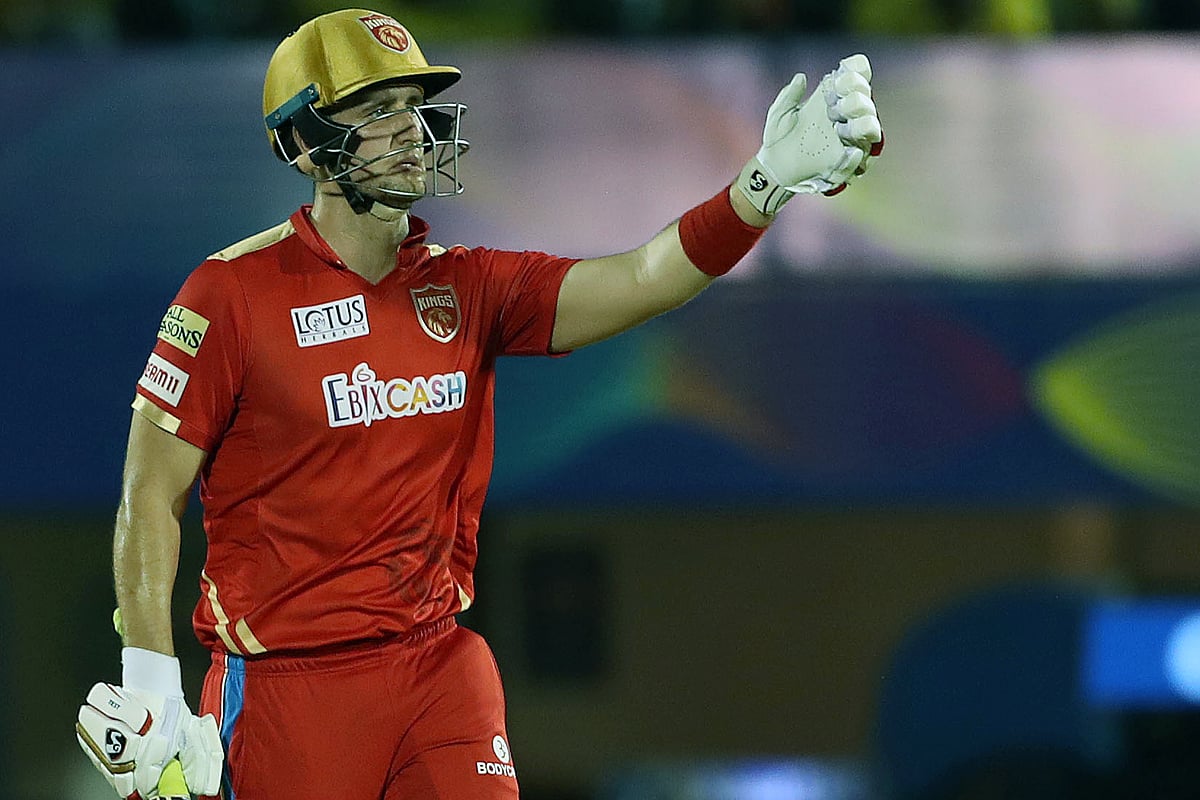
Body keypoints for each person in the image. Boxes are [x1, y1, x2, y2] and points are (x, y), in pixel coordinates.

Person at [75, 8, 883, 799]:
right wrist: (148, 678)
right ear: (302, 141)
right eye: (375, 109)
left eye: (410, 107)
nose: (409, 129)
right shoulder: (229, 294)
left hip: (438, 665)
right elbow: (150, 491)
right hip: (287, 684)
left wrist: (764, 183)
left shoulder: (470, 285)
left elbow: (643, 278)